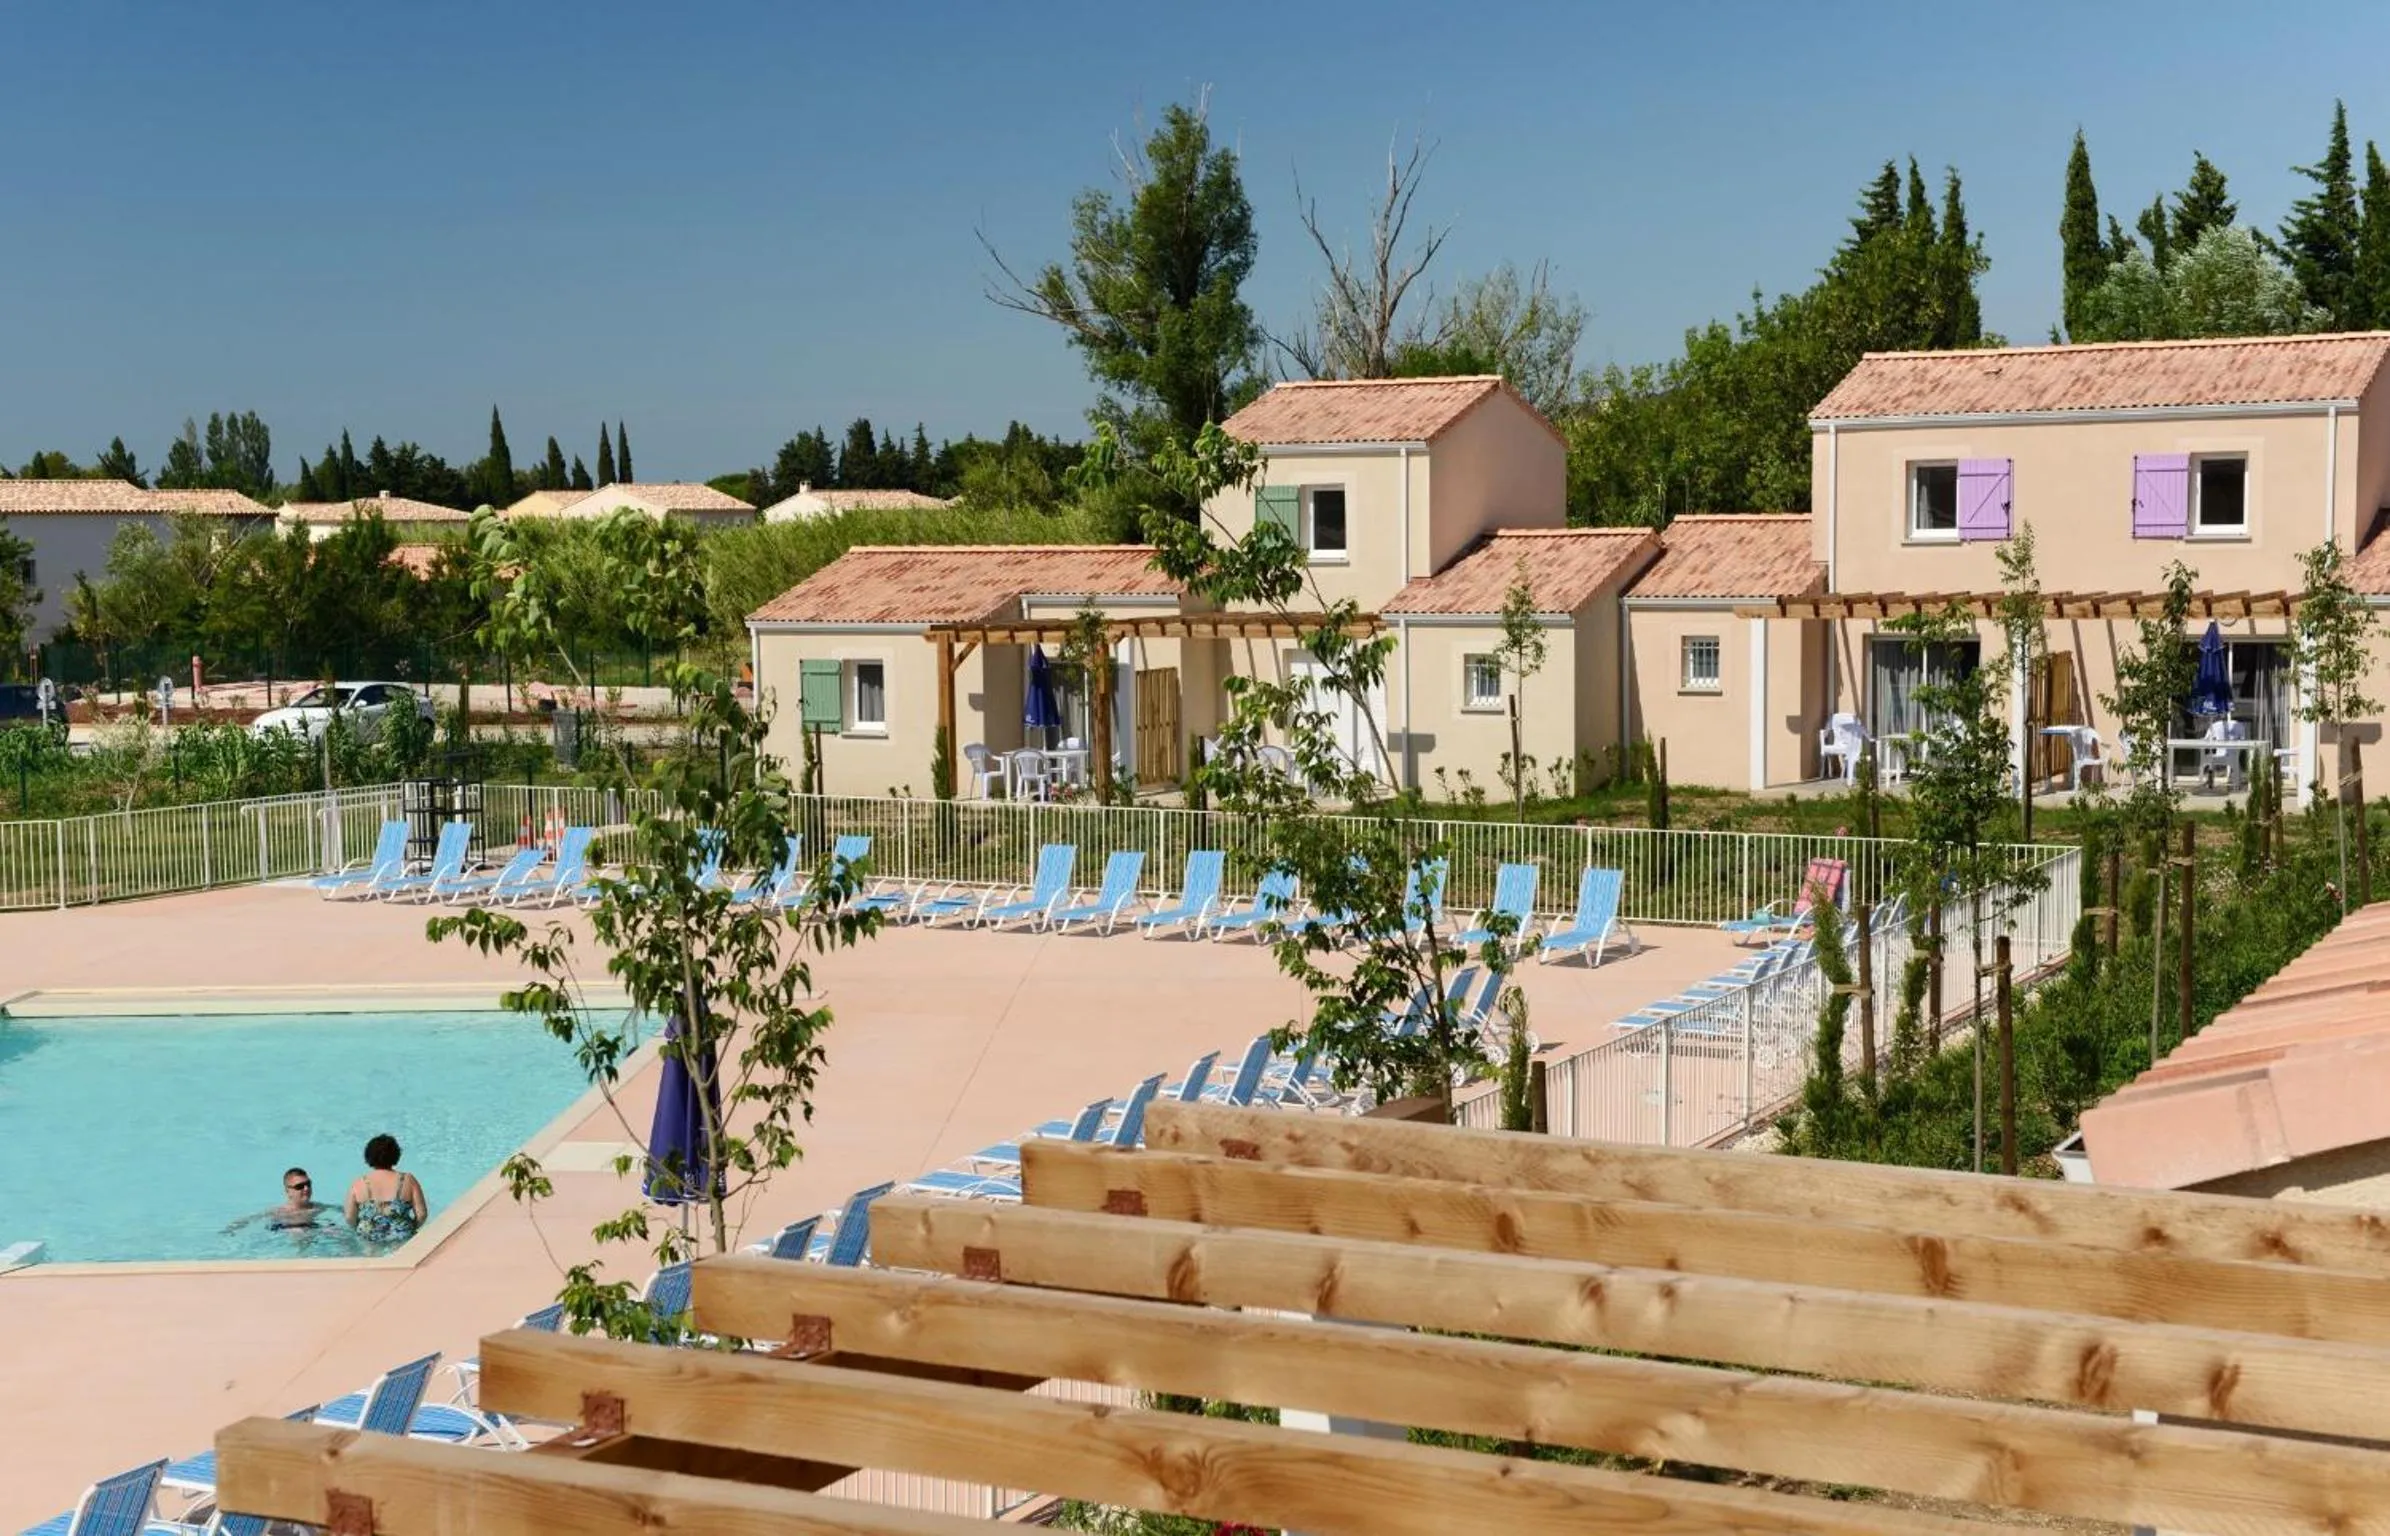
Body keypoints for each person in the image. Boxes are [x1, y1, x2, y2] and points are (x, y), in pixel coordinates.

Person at [346, 1134, 428, 1251]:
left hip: (369, 1235)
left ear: (368, 1156)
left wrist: (362, 1227)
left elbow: (349, 1217)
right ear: (396, 1155)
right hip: (401, 1234)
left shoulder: (359, 1183)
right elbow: (422, 1214)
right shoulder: (407, 1180)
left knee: (372, 1259)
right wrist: (410, 1227)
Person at [225, 1168, 333, 1235]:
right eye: (299, 1186)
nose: (306, 1189)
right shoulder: (279, 1212)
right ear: (288, 1191)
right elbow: (251, 1219)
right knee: (297, 1233)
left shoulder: (319, 1208)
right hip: (284, 1231)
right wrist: (232, 1229)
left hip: (311, 1230)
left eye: (308, 1184)